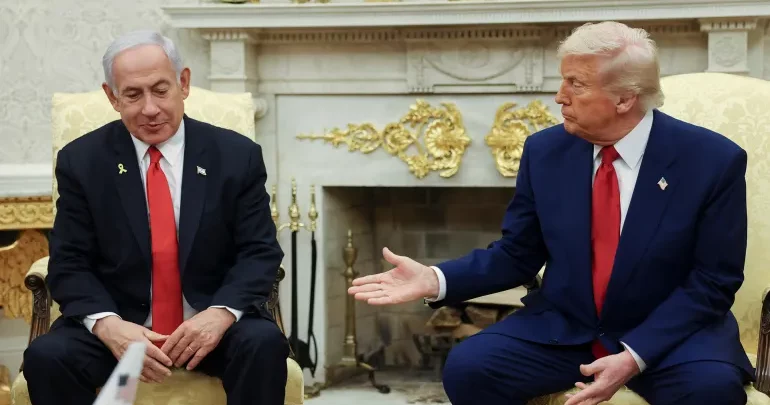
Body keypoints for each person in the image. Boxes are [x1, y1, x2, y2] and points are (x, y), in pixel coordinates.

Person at [349, 21, 753, 405]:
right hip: (568, 330)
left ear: (624, 98)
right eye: (563, 81)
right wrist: (435, 279)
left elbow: (713, 282)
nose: (560, 96)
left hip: (671, 338)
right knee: (470, 368)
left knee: (712, 391)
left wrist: (635, 355)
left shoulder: (712, 161)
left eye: (576, 84)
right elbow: (517, 254)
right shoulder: (545, 151)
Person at [22, 31, 288, 405]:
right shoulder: (82, 162)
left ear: (183, 83)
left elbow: (259, 252)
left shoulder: (235, 155)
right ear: (112, 97)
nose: (150, 108)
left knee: (263, 343)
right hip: (122, 325)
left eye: (161, 90)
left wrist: (220, 314)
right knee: (47, 357)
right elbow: (70, 262)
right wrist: (109, 326)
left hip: (210, 324)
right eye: (133, 94)